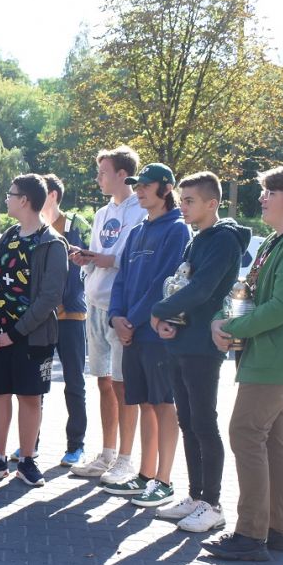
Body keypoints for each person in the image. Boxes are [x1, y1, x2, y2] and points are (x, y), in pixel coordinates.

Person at [203, 164, 283, 561]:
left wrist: (232, 327)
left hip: (279, 356)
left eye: (269, 193)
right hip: (271, 353)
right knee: (273, 438)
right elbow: (251, 292)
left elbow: (282, 307)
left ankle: (250, 534)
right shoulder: (279, 241)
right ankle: (278, 529)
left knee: (245, 432)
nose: (261, 198)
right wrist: (226, 319)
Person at [150, 171, 250, 532]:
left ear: (212, 203)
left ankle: (213, 504)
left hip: (205, 346)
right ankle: (195, 496)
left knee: (204, 422)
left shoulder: (224, 240)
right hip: (181, 341)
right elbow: (182, 285)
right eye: (182, 199)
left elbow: (203, 289)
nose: (183, 206)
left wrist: (158, 311)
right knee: (188, 421)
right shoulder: (196, 239)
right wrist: (168, 320)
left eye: (190, 200)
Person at [102, 163, 189, 508]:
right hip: (132, 333)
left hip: (154, 335)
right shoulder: (138, 230)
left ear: (166, 189)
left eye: (146, 186)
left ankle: (163, 481)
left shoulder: (177, 229)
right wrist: (115, 317)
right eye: (137, 185)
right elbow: (121, 280)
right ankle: (145, 474)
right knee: (144, 403)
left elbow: (164, 283)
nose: (138, 191)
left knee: (163, 403)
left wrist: (133, 321)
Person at [0, 174, 69, 487]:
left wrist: (14, 334)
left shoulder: (52, 243)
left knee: (29, 397)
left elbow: (50, 298)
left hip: (32, 337)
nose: (7, 199)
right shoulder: (8, 236)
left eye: (10, 194)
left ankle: (27, 461)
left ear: (24, 200)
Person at [70, 147, 148, 482]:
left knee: (122, 384)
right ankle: (106, 454)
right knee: (103, 381)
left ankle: (125, 460)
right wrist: (85, 258)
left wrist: (105, 260)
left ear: (122, 174)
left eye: (103, 172)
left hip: (120, 308)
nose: (98, 177)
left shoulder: (140, 210)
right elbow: (99, 253)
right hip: (95, 302)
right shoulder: (102, 212)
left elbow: (131, 258)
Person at [43, 174, 90, 467]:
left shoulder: (76, 224)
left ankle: (76, 446)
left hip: (72, 315)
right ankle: (29, 444)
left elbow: (90, 261)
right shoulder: (32, 228)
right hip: (41, 318)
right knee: (35, 382)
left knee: (74, 382)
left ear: (52, 195)